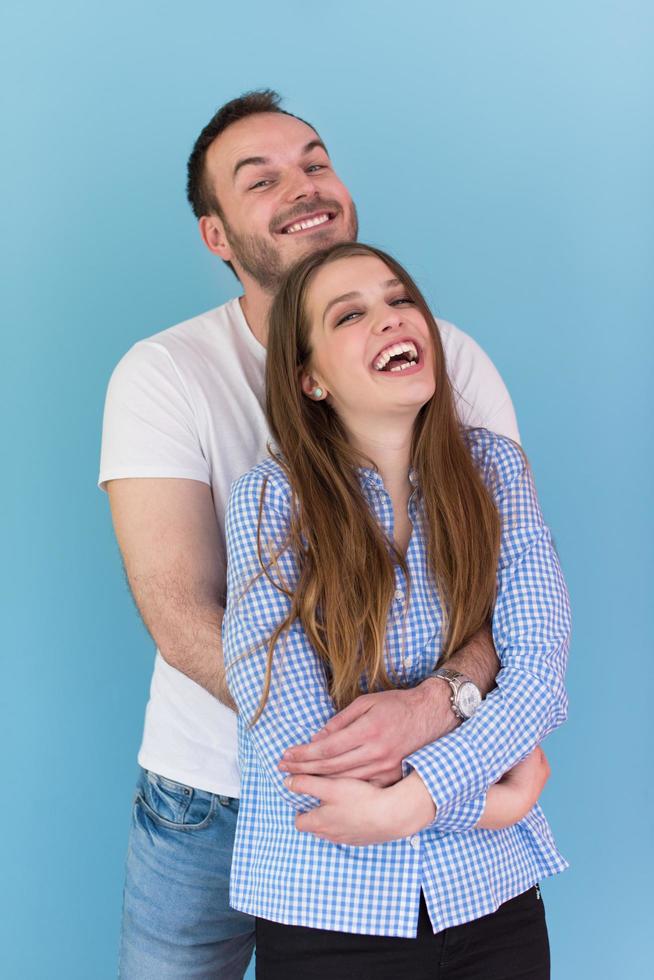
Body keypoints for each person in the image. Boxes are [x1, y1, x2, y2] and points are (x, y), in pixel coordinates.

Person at [100, 90, 538, 979]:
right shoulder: (166, 376)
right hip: (214, 796)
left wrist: (428, 726)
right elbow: (182, 606)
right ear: (217, 236)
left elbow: (512, 598)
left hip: (431, 772)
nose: (304, 186)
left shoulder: (446, 360)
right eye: (260, 180)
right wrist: (347, 758)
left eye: (315, 161)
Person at [222, 241, 570, 978]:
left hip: (492, 899)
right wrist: (486, 802)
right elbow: (303, 747)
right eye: (350, 314)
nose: (389, 319)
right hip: (331, 908)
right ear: (310, 379)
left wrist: (415, 803)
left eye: (399, 299)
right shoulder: (270, 501)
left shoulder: (496, 471)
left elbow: (538, 675)